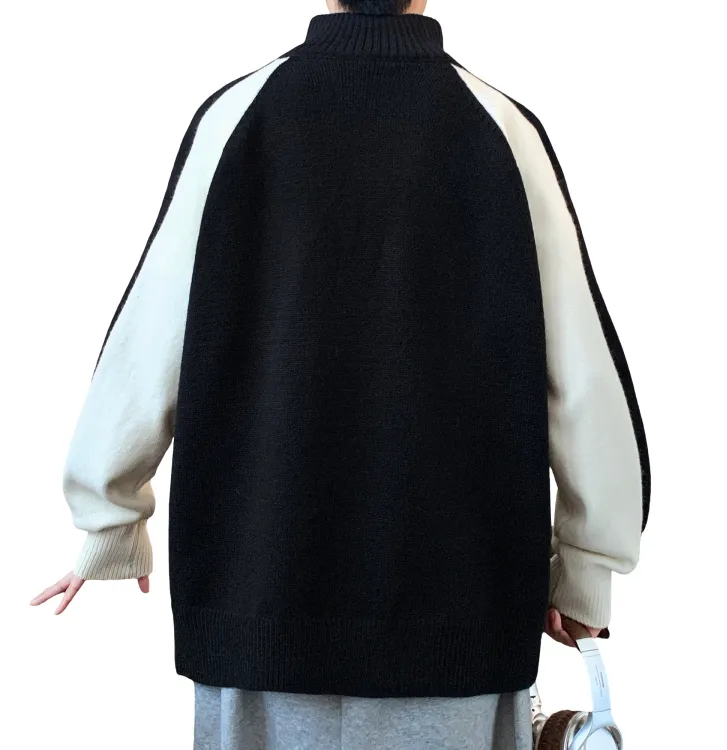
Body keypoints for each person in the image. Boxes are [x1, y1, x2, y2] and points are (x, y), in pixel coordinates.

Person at [30, 0, 650, 748]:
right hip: (459, 618)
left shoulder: (237, 117)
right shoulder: (506, 131)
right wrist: (586, 569)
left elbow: (151, 336)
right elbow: (582, 375)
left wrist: (108, 513)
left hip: (257, 604)